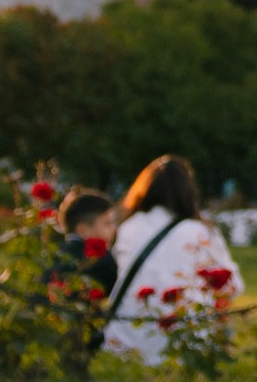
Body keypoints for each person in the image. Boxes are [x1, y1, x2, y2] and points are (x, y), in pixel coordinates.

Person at [103, 153, 242, 364]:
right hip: (186, 342)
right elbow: (234, 286)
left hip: (125, 339)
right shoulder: (200, 231)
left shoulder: (128, 228)